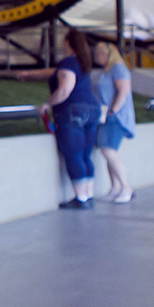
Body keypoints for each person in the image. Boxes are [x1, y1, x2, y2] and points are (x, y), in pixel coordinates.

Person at [43, 29, 103, 210]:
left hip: (72, 112)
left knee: (73, 154)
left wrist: (47, 104)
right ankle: (88, 195)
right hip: (92, 110)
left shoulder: (68, 62)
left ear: (68, 42)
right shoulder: (84, 63)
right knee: (86, 155)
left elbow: (65, 90)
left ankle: (80, 198)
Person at [92, 39, 135, 203]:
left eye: (100, 53)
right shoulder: (107, 71)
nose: (97, 56)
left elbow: (123, 92)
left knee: (108, 151)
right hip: (107, 115)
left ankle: (126, 187)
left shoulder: (118, 69)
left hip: (115, 117)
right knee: (108, 151)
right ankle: (115, 188)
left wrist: (113, 112)